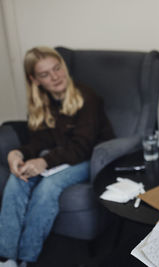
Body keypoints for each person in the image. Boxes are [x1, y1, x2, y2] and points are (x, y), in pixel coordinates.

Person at [0, 46, 114, 266]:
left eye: (57, 68)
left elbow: (82, 147)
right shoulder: (41, 102)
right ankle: (7, 258)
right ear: (34, 80)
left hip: (88, 158)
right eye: (45, 74)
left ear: (63, 67)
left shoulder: (86, 97)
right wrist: (19, 153)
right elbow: (40, 141)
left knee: (48, 186)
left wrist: (44, 161)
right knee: (17, 179)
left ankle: (26, 257)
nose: (55, 77)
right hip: (59, 158)